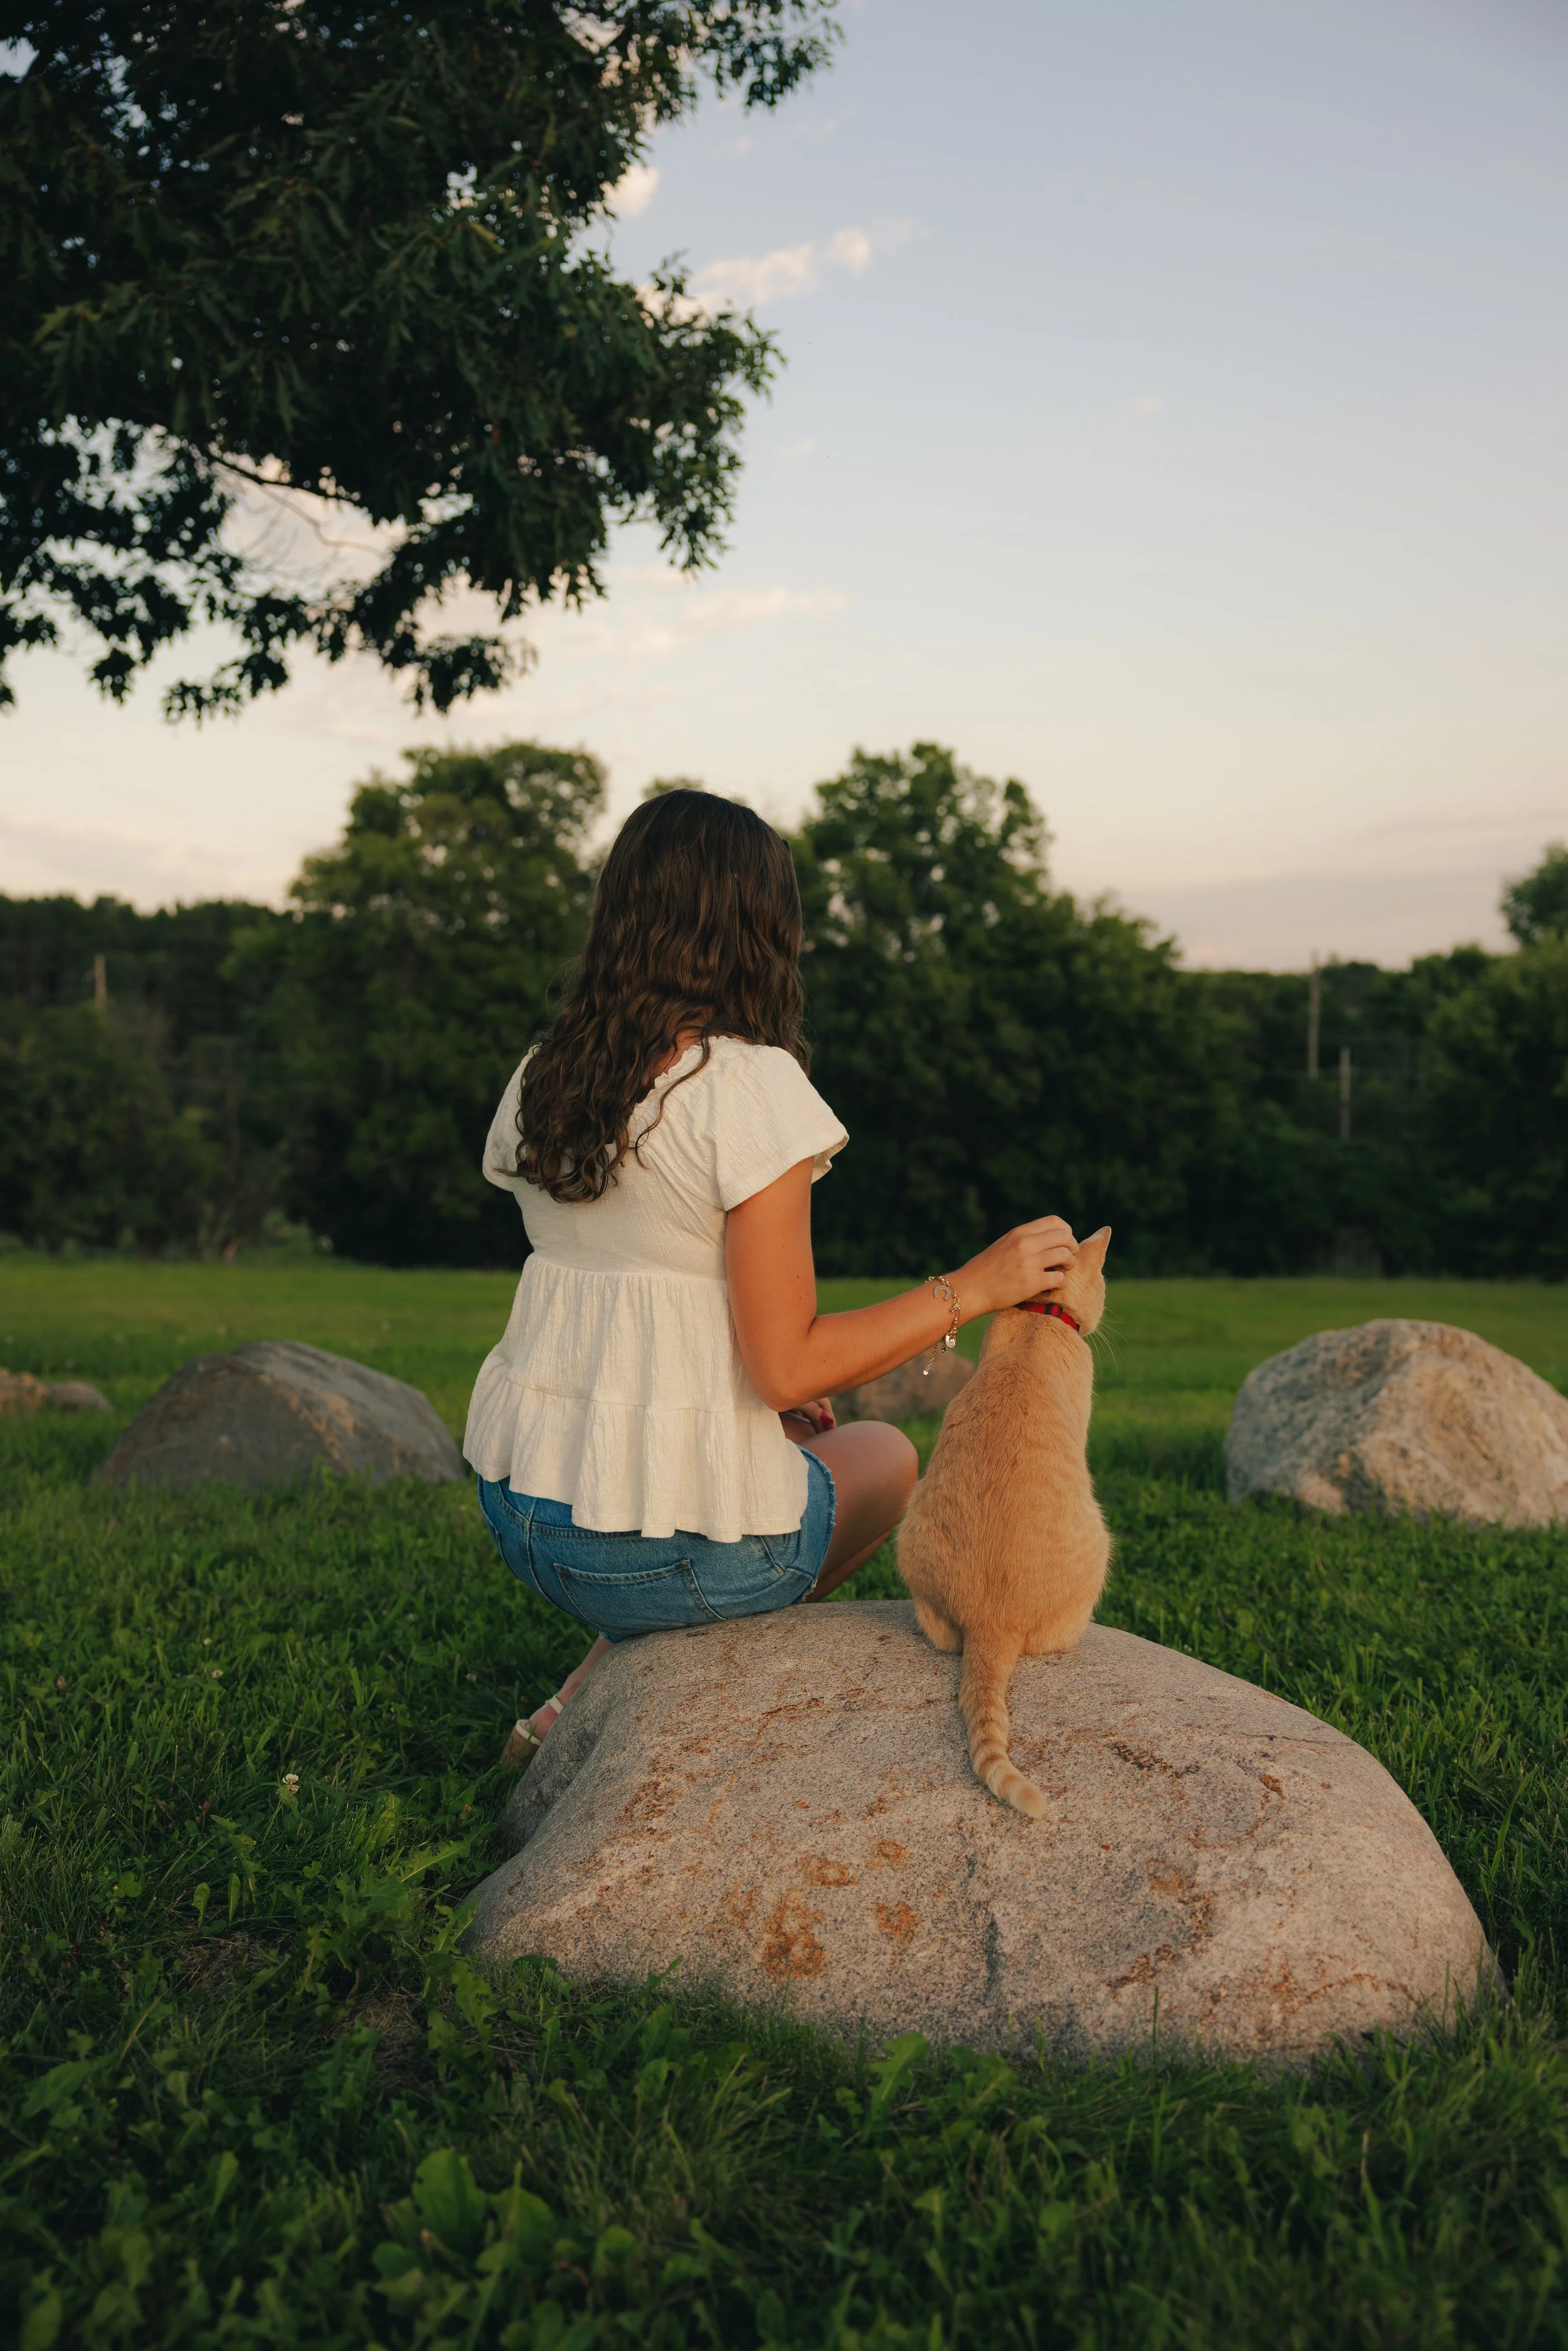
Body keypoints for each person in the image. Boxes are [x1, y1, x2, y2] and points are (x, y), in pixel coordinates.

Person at [465, 788, 1078, 1762]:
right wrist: (977, 1284)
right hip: (643, 1557)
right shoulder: (746, 1086)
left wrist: (746, 1416)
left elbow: (637, 1297)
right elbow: (789, 1367)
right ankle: (609, 1678)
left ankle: (574, 1699)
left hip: (522, 1512)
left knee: (789, 1444)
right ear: (761, 929)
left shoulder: (549, 1072)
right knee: (883, 1457)